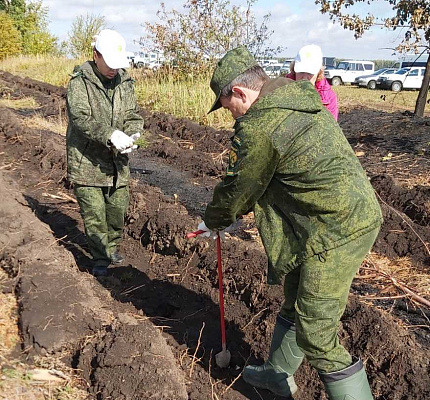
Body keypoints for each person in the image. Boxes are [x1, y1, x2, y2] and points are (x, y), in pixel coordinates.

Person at [197, 46, 382, 399]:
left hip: (337, 228)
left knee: (316, 332)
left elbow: (239, 187)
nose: (230, 116)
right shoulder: (295, 96)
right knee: (294, 296)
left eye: (227, 107)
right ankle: (276, 374)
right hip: (329, 215)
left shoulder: (260, 127)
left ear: (239, 92)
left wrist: (215, 220)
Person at [66, 29, 144, 277]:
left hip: (116, 162)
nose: (114, 70)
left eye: (118, 66)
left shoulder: (125, 82)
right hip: (86, 160)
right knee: (94, 213)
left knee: (116, 210)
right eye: (109, 64)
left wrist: (132, 134)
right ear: (95, 55)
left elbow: (132, 114)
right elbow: (80, 118)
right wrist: (110, 134)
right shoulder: (80, 83)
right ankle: (100, 257)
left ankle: (110, 248)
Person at [286, 44, 338, 121]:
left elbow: (332, 128)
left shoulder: (328, 97)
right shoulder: (281, 88)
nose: (304, 77)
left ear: (319, 72)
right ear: (294, 69)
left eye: (309, 73)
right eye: (301, 71)